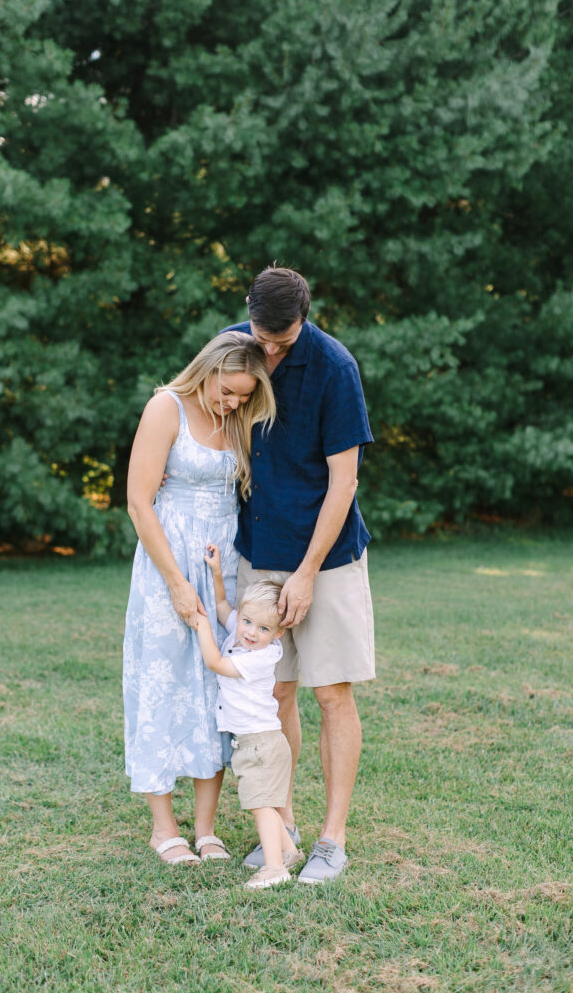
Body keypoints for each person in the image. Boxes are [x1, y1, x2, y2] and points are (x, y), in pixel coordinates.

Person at [225, 265, 375, 884]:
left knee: (331, 692)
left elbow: (345, 481)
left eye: (281, 342)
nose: (269, 350)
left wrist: (308, 572)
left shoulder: (336, 368)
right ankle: (280, 829)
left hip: (327, 556)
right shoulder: (235, 346)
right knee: (272, 692)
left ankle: (331, 839)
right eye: (263, 336)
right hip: (257, 548)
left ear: (303, 321)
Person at [123, 331, 275, 865]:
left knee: (215, 690)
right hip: (168, 565)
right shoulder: (165, 408)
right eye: (228, 390)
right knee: (164, 682)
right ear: (208, 369)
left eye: (243, 394)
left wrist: (208, 583)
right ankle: (164, 828)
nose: (233, 402)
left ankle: (206, 829)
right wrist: (177, 583)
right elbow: (140, 503)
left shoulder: (236, 418)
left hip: (218, 568)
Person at [196, 544, 305, 889]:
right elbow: (222, 606)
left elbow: (216, 663)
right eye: (246, 622)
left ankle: (274, 867)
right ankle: (288, 852)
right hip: (255, 742)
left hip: (261, 744)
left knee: (261, 806)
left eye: (261, 628)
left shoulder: (259, 657)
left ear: (277, 634)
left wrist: (200, 625)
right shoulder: (240, 633)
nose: (249, 632)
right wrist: (216, 573)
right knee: (267, 806)